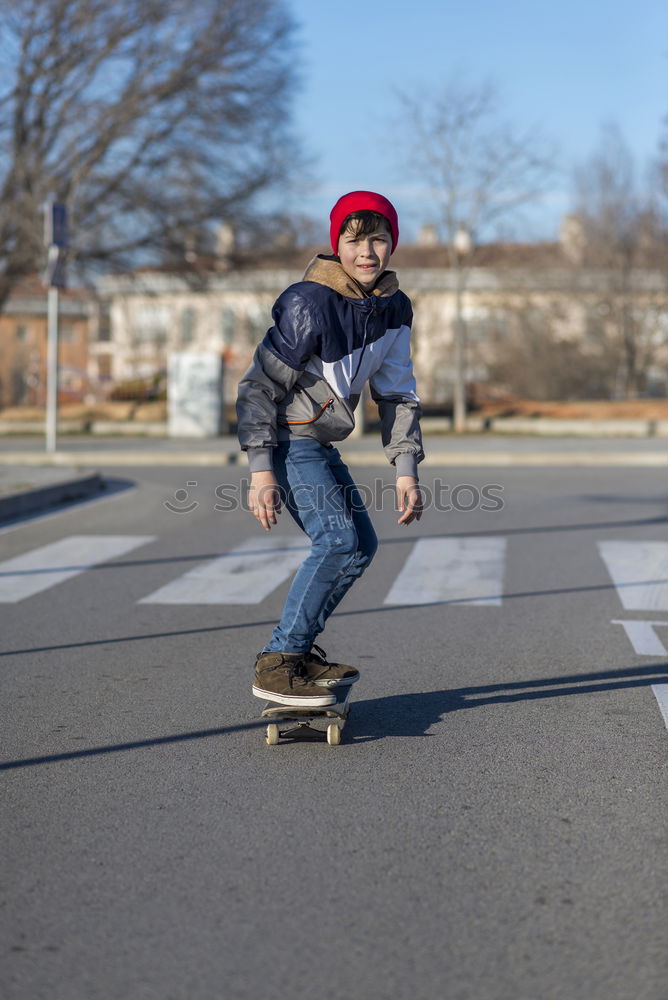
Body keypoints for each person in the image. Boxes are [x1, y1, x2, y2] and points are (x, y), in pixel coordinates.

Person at [236, 190, 424, 708]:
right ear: (336, 243)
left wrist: (405, 471)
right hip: (286, 439)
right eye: (354, 239)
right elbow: (257, 388)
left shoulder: (394, 309)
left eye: (379, 239)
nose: (367, 251)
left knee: (360, 545)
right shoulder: (308, 302)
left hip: (318, 440)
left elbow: (397, 392)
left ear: (393, 245)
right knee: (337, 540)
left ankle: (296, 657)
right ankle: (280, 661)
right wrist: (261, 471)